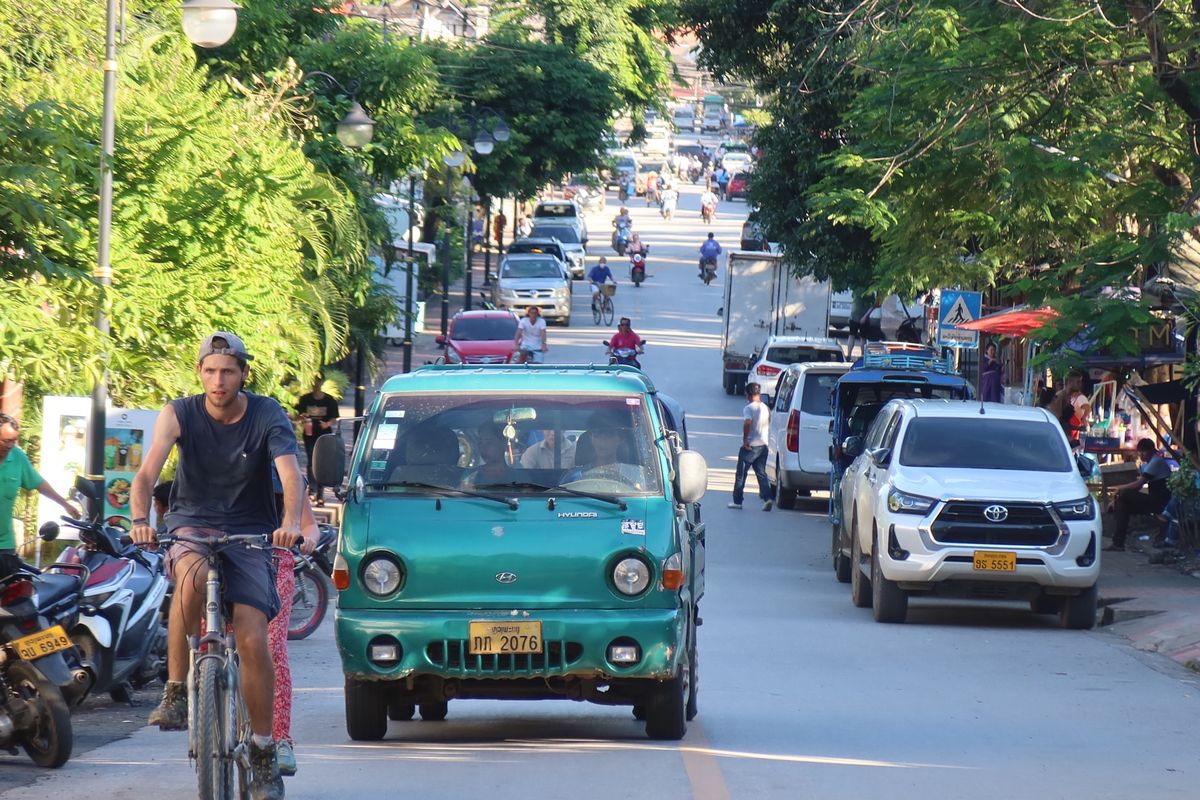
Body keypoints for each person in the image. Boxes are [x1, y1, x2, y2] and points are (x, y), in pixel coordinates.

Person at [129, 332, 304, 800]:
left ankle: (264, 751)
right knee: (188, 577)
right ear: (200, 373)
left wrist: (289, 523)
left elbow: (290, 475)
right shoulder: (179, 413)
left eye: (228, 371)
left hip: (250, 532)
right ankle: (176, 690)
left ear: (244, 374)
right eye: (210, 370)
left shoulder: (267, 413)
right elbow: (147, 474)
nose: (218, 380)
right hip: (192, 524)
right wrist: (139, 520)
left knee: (251, 636)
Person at [266, 473, 319, 777]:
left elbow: (308, 524)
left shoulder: (285, 470)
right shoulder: (215, 448)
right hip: (220, 554)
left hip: (273, 560)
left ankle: (280, 739)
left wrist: (307, 538)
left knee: (272, 647)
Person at [0, 413, 79, 577]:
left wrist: (65, 504)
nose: (10, 446)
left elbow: (38, 483)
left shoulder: (17, 457)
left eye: (13, 441)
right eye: (5, 441)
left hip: (4, 546)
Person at [1104, 438, 1173, 551]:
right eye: (1140, 452)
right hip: (1153, 500)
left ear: (1151, 450)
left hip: (1160, 502)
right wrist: (1117, 498)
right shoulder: (1148, 464)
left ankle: (1118, 542)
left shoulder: (1157, 461)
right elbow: (1139, 487)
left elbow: (1138, 484)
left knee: (1125, 494)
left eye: (1143, 451)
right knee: (1122, 504)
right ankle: (1118, 543)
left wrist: (1119, 489)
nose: (1141, 454)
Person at [729, 382, 773, 511]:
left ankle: (737, 501)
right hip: (763, 445)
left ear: (747, 394)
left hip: (751, 446)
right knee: (761, 473)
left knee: (741, 474)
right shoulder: (765, 407)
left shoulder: (748, 408)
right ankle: (767, 498)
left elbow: (748, 422)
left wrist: (745, 440)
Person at [295, 376, 339, 505]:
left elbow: (334, 418)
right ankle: (312, 492)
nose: (316, 384)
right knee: (311, 462)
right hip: (309, 434)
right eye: (314, 381)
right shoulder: (305, 399)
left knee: (322, 463)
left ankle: (321, 494)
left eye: (318, 381)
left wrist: (327, 424)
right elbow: (297, 415)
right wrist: (302, 418)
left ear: (322, 383)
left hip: (324, 435)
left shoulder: (329, 400)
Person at [463, 422, 518, 487]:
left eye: (489, 442)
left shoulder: (519, 478)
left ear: (504, 444)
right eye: (480, 442)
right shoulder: (470, 476)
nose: (483, 448)